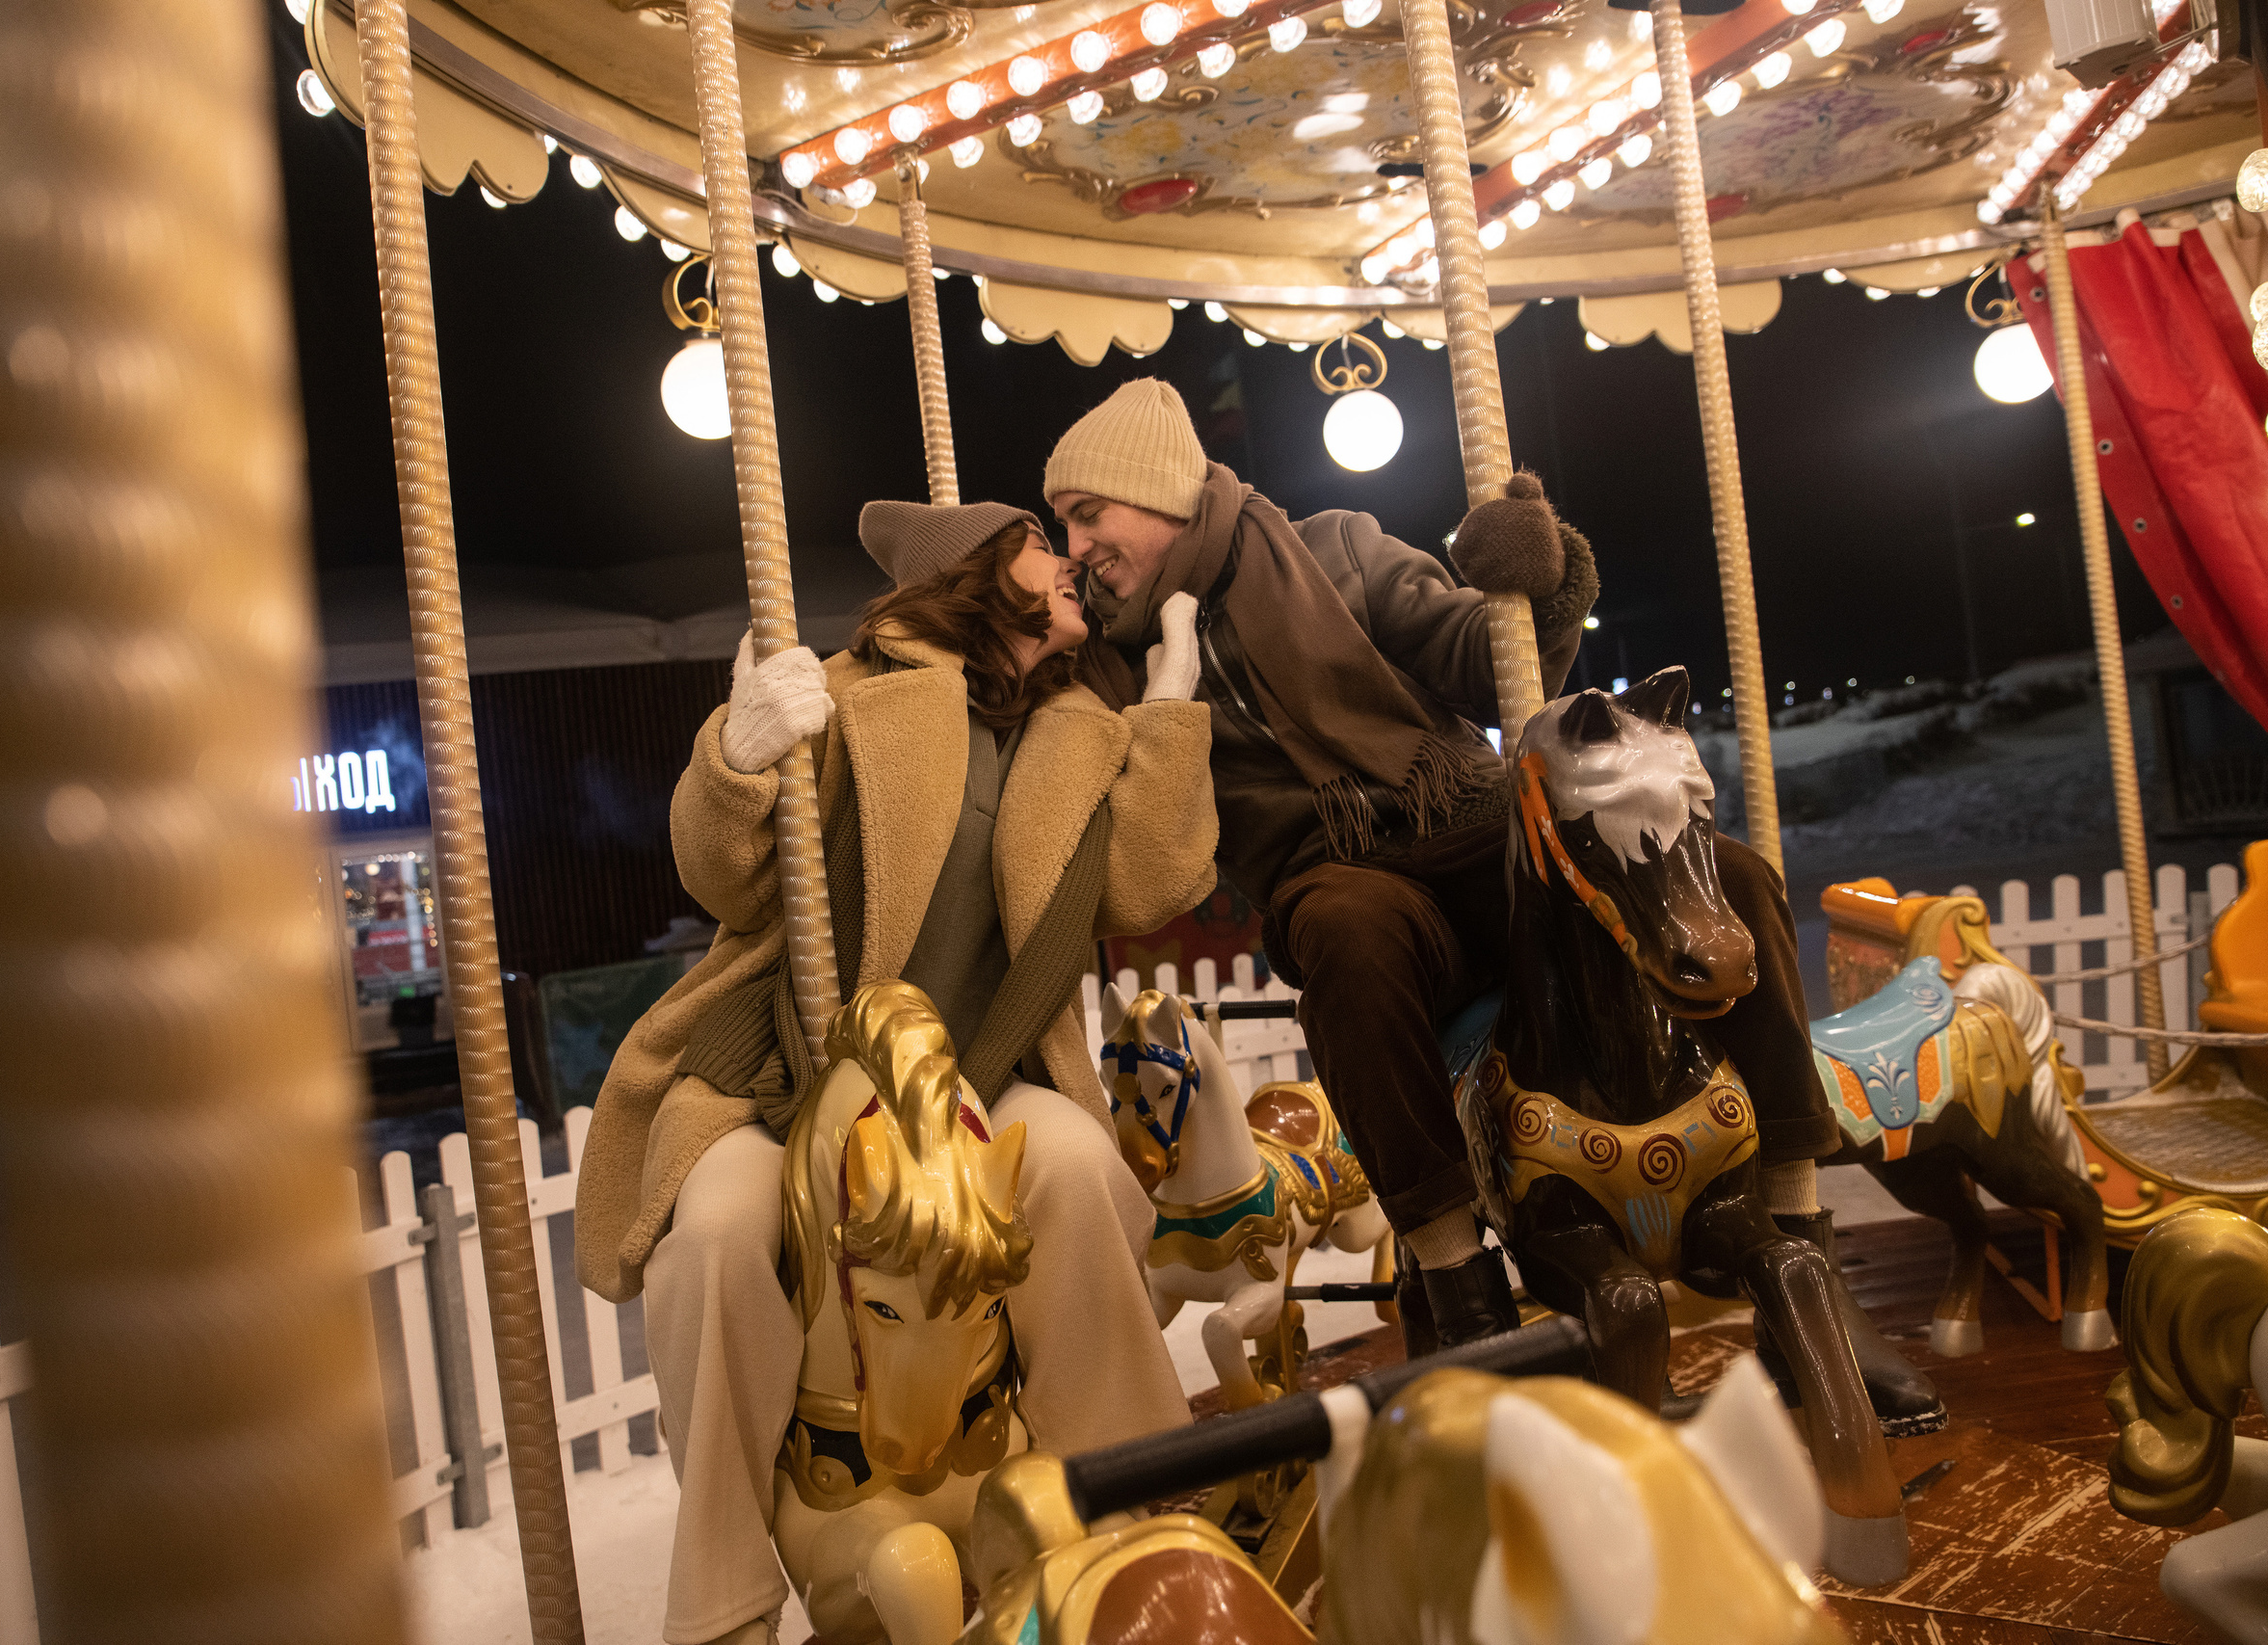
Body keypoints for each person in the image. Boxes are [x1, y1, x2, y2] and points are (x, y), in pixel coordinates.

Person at [1044, 380, 1930, 1422]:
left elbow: (1480, 658)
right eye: (1063, 522)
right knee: (1339, 928)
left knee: (1732, 878)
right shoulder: (1109, 660)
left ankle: (1799, 1246)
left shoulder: (1333, 549)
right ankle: (1458, 1284)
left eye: (1087, 512)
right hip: (1349, 880)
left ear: (1160, 494)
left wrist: (1534, 581)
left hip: (1477, 835)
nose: (1075, 543)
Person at [572, 499, 1217, 1645]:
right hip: (787, 1066)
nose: (1068, 563)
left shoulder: (1078, 726)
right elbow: (725, 877)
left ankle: (1135, 1499)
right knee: (716, 1240)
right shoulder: (839, 694)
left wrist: (1168, 714)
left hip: (980, 1067)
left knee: (1076, 1172)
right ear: (975, 574)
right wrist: (735, 755)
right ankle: (721, 1594)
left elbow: (1149, 890)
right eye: (1039, 544)